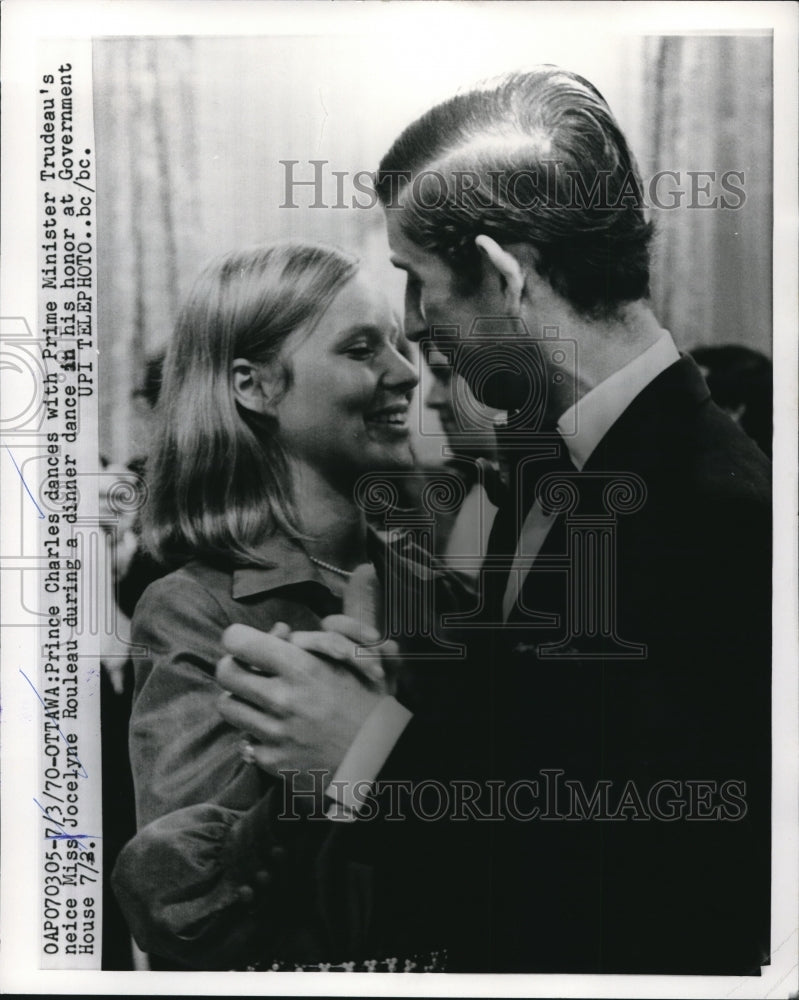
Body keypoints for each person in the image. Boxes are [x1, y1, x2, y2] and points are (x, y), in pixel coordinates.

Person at [214, 67, 772, 975]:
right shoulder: (552, 461)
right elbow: (556, 757)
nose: (412, 326)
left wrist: (367, 756)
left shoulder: (719, 514)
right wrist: (412, 689)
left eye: (416, 281)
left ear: (506, 277)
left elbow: (664, 886)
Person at [111, 240, 471, 970]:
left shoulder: (445, 595)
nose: (405, 374)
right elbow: (180, 914)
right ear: (254, 386)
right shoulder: (193, 611)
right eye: (362, 349)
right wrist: (315, 777)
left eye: (400, 348)